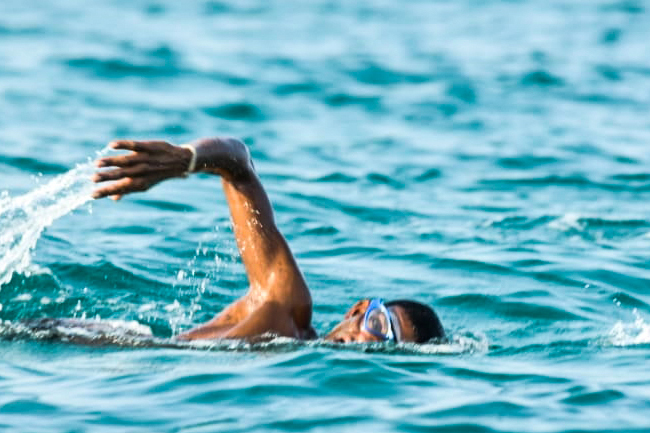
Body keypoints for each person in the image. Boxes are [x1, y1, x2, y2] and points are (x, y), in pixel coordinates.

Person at [92, 138, 445, 344]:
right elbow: (239, 163)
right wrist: (186, 160)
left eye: (388, 347)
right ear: (357, 310)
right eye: (379, 325)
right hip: (87, 347)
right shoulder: (288, 305)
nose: (369, 344)